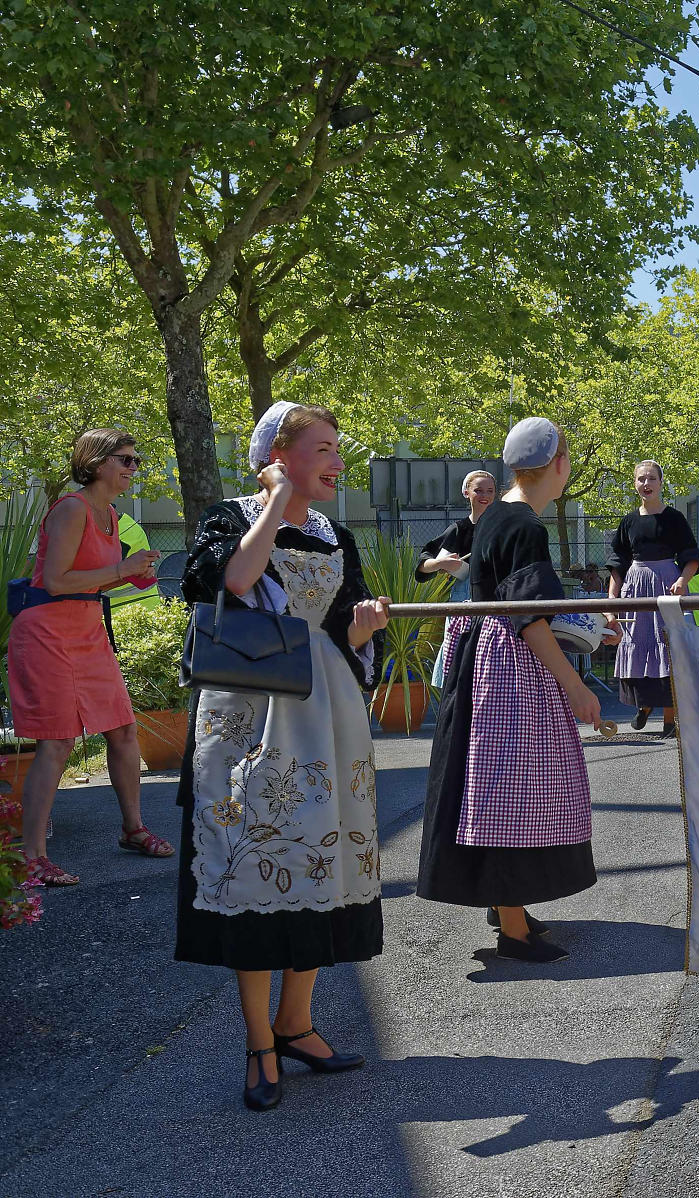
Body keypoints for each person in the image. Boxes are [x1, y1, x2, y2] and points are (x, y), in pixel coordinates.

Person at [176, 402, 392, 1110]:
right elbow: (232, 583)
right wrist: (271, 500)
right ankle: (258, 1043)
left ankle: (296, 1023)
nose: (336, 461)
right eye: (323, 448)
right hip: (250, 714)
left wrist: (364, 635)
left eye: (337, 448)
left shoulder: (339, 535)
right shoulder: (230, 516)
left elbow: (343, 631)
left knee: (320, 863)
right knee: (252, 869)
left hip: (326, 717)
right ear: (278, 453)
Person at [417, 417, 604, 965]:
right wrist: (573, 685)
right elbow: (528, 616)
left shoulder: (495, 514)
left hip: (483, 658)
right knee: (514, 788)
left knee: (494, 786)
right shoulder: (524, 524)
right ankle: (514, 929)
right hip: (510, 668)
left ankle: (509, 910)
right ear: (560, 466)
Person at [11, 429, 165, 887]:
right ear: (96, 462)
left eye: (136, 460)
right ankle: (32, 856)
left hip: (85, 631)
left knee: (123, 729)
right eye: (126, 459)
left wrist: (131, 574)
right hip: (46, 634)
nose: (133, 468)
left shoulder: (112, 516)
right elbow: (56, 581)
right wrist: (121, 568)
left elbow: (88, 580)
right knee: (56, 743)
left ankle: (132, 829)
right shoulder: (71, 509)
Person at [608, 460, 699, 736]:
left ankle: (670, 720)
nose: (646, 484)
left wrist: (682, 580)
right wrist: (612, 599)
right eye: (641, 479)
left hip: (666, 583)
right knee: (637, 642)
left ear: (661, 483)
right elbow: (617, 564)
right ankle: (644, 705)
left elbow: (691, 555)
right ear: (635, 483)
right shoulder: (628, 521)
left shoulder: (674, 518)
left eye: (651, 479)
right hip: (636, 586)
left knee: (668, 644)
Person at [415, 469, 496, 687]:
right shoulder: (459, 529)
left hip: (498, 602)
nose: (484, 495)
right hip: (464, 602)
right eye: (478, 490)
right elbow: (423, 563)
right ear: (466, 492)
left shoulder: (504, 528)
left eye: (490, 490)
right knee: (461, 672)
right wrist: (442, 563)